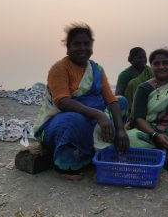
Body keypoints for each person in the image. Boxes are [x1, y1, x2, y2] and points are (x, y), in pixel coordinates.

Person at [34, 23, 129, 180]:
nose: (82, 48)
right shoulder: (59, 69)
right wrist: (99, 115)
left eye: (87, 44)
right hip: (58, 123)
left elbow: (111, 100)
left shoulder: (96, 69)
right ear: (68, 47)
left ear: (92, 45)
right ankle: (66, 165)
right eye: (76, 44)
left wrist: (120, 129)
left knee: (122, 102)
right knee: (74, 119)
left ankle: (98, 148)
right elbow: (63, 102)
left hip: (91, 119)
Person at [115, 47, 153, 114]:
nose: (143, 59)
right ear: (131, 60)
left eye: (144, 57)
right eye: (139, 57)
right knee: (135, 82)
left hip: (151, 104)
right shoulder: (125, 75)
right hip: (131, 108)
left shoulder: (150, 71)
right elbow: (118, 95)